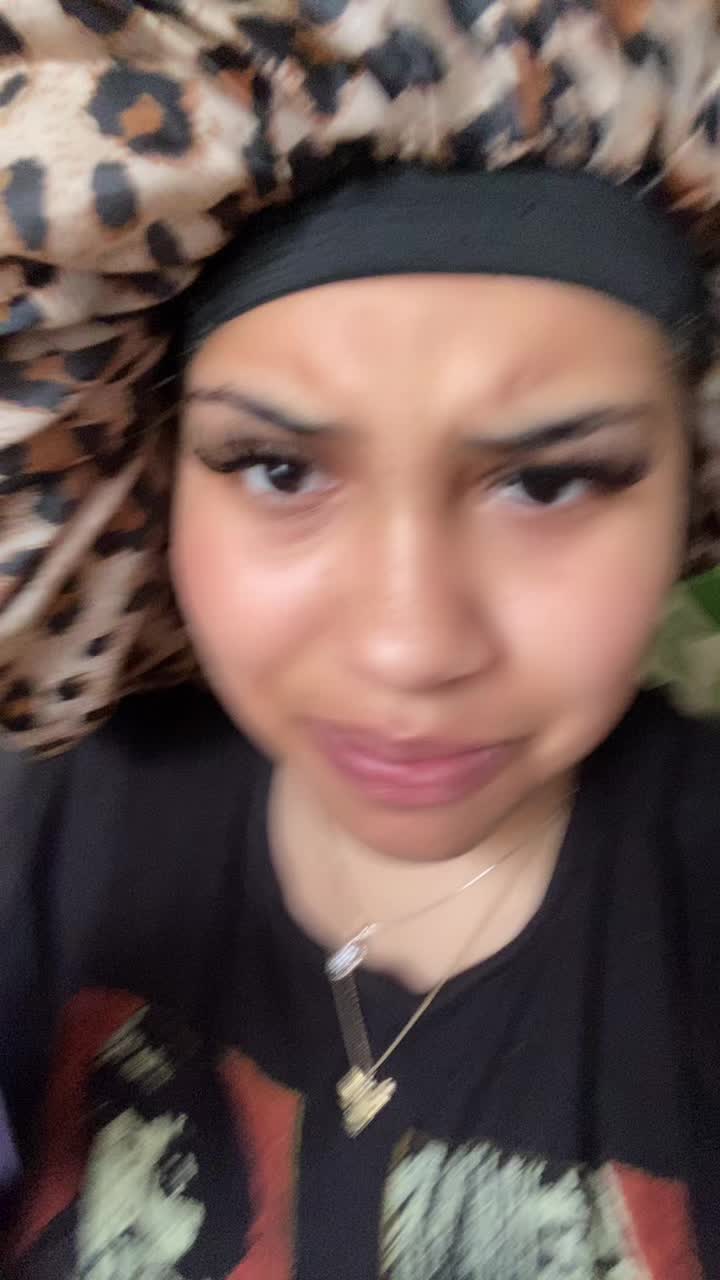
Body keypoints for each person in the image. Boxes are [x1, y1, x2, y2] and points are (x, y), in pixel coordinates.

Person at [1, 158, 719, 1278]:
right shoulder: (50, 816)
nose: (408, 649)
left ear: (690, 491)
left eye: (547, 482)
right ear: (162, 480)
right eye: (279, 469)